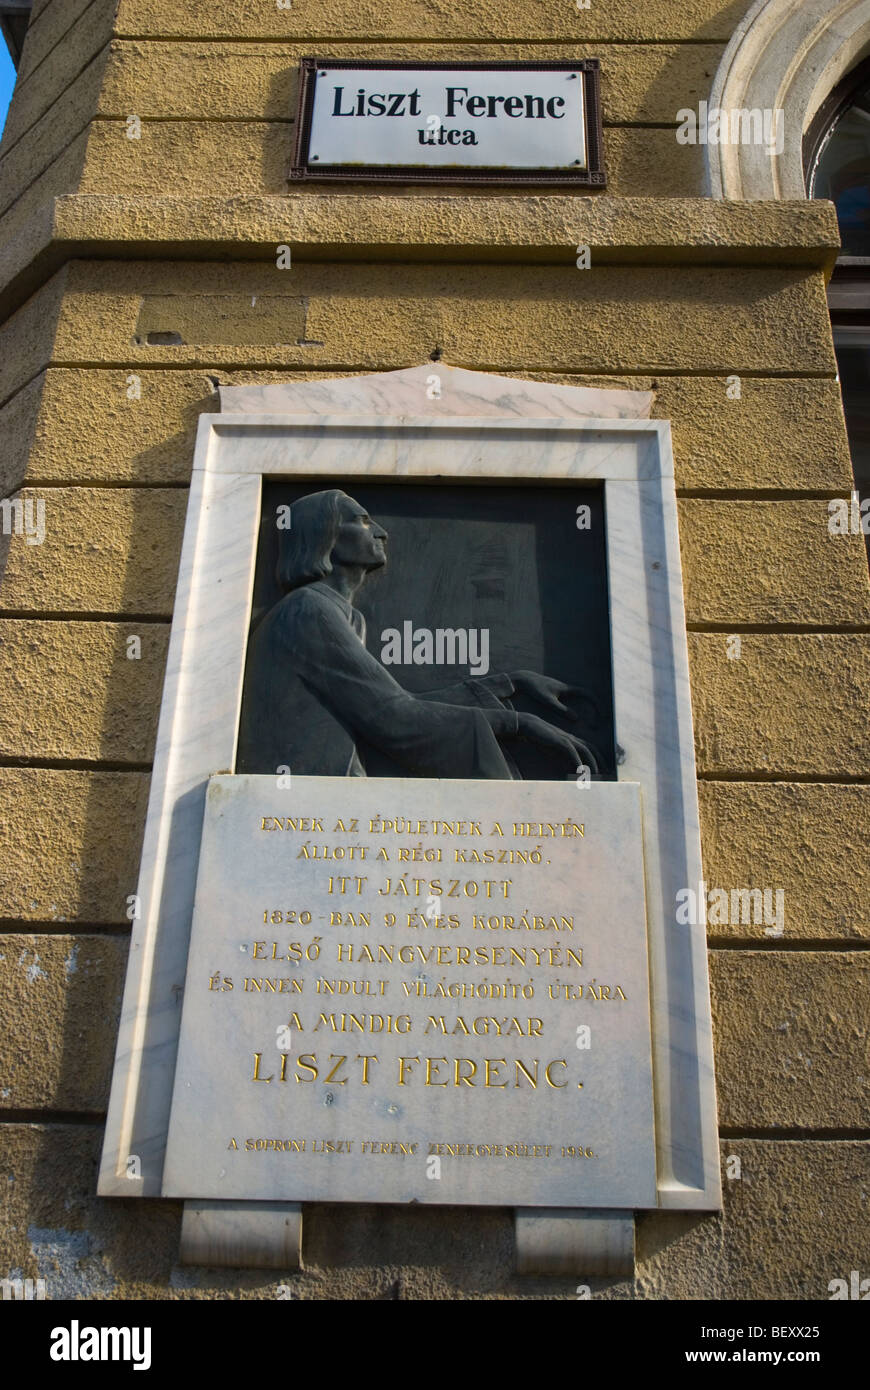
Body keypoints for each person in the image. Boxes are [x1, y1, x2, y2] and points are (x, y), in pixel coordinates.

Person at [236, 489, 601, 779]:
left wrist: (511, 684)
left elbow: (393, 704)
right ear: (324, 535)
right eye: (362, 520)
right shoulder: (308, 611)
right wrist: (520, 724)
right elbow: (396, 718)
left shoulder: (339, 613)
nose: (382, 531)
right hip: (303, 804)